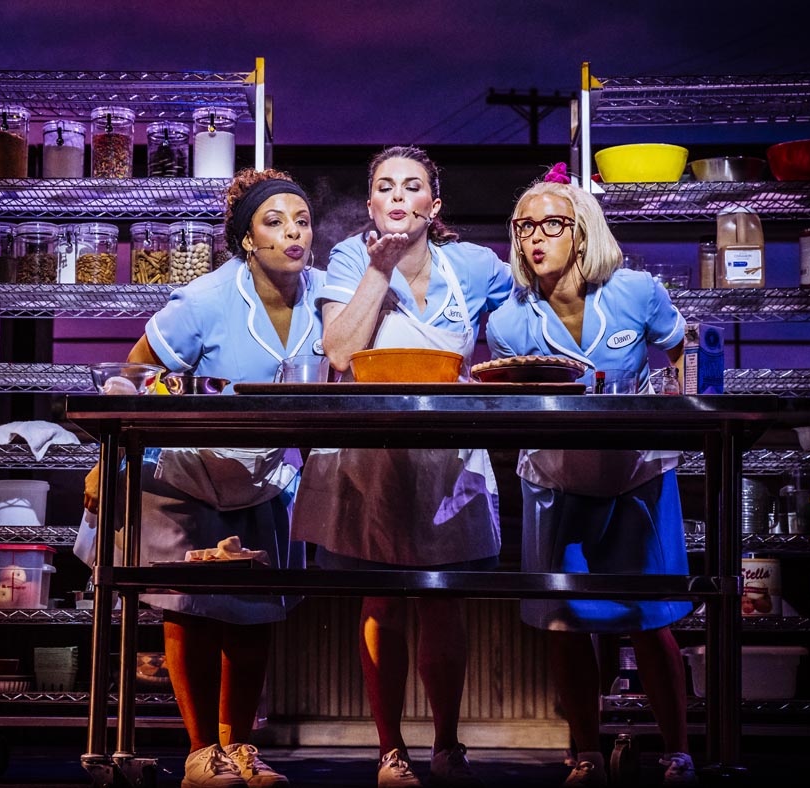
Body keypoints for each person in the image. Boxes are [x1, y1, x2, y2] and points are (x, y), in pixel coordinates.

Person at [84, 168, 324, 788]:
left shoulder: (325, 296)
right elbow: (129, 379)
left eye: (301, 221)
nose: (291, 233)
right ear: (245, 239)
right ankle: (200, 754)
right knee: (191, 610)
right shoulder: (205, 300)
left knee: (252, 613)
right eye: (273, 223)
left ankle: (240, 746)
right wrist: (107, 458)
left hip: (263, 479)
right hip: (186, 476)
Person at [292, 146, 513, 788]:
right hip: (372, 459)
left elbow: (534, 293)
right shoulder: (346, 259)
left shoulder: (472, 266)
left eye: (411, 186)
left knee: (444, 606)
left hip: (450, 458)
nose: (396, 195)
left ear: (433, 206)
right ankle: (390, 750)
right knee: (381, 601)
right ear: (369, 206)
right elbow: (339, 351)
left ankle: (447, 743)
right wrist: (377, 271)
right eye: (384, 186)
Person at [484, 163, 697, 787]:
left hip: (637, 473)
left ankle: (677, 751)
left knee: (653, 618)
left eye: (551, 223)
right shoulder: (509, 322)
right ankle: (583, 751)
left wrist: (673, 406)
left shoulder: (636, 291)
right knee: (566, 622)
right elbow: (512, 392)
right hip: (555, 478)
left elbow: (680, 343)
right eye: (524, 227)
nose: (535, 237)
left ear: (582, 233)